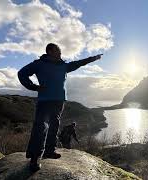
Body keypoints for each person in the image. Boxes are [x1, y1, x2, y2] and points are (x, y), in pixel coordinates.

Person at [18, 43, 102, 172]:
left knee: (54, 125)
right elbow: (22, 73)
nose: (60, 52)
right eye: (58, 50)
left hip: (59, 101)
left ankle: (50, 151)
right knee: (41, 127)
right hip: (45, 101)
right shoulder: (39, 64)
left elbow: (78, 63)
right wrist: (34, 87)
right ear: (50, 51)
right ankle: (35, 158)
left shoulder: (63, 66)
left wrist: (93, 58)